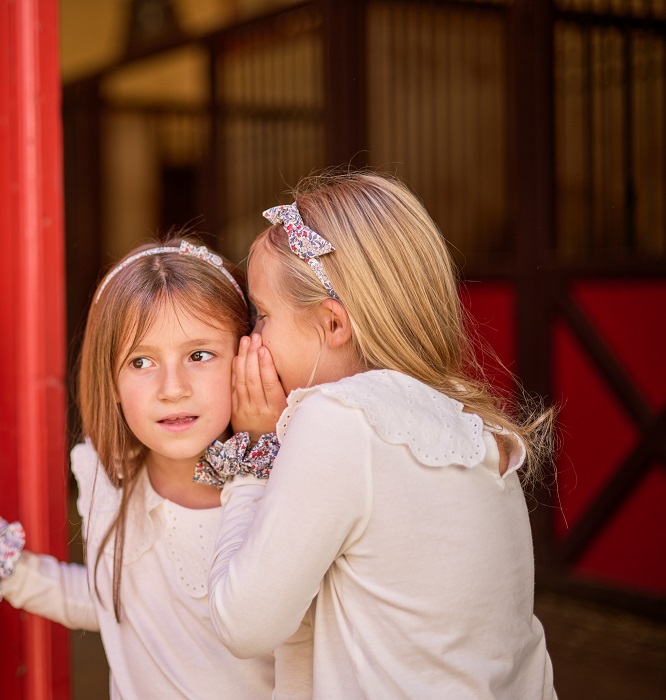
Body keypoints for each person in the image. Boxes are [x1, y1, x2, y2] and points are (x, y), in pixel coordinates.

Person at [0, 237, 312, 699]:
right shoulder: (107, 477)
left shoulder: (285, 489)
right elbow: (113, 605)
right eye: (141, 361)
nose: (173, 388)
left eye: (199, 355)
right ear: (110, 381)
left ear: (247, 358)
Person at [204, 170, 557, 698]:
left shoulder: (340, 419)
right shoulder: (478, 432)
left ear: (332, 324)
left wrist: (253, 453)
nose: (251, 338)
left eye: (262, 314)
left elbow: (243, 623)